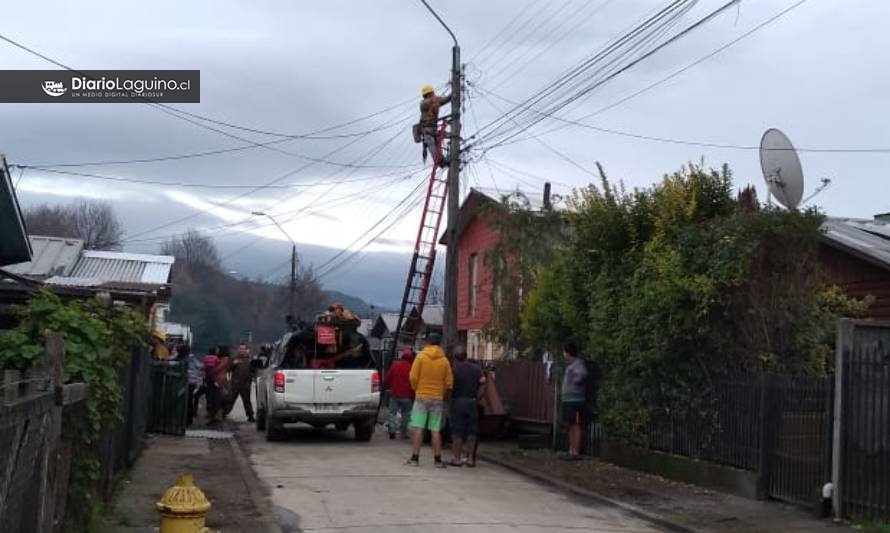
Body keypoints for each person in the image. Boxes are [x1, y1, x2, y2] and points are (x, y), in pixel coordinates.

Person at [406, 333, 453, 468]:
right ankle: (437, 460)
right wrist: (441, 392)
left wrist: (417, 389)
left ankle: (415, 459)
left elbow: (413, 377)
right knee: (435, 429)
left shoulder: (421, 357)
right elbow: (449, 382)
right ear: (439, 343)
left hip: (421, 397)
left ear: (428, 342)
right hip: (437, 398)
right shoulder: (444, 361)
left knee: (419, 428)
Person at [449, 345, 486, 467]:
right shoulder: (476, 369)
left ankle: (457, 458)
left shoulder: (453, 370)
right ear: (466, 356)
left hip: (458, 401)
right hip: (472, 402)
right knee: (472, 431)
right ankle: (470, 459)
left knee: (457, 431)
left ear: (455, 357)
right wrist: (477, 397)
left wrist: (448, 398)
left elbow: (448, 386)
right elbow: (483, 384)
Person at [560, 343, 589, 461]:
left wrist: (575, 383)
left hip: (575, 399)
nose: (563, 354)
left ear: (568, 352)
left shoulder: (578, 363)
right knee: (570, 425)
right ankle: (570, 450)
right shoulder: (571, 365)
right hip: (568, 399)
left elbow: (583, 374)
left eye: (564, 352)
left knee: (576, 425)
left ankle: (575, 452)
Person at [385, 348, 415, 440]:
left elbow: (387, 378)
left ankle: (392, 431)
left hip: (395, 394)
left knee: (392, 413)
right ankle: (403, 433)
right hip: (408, 396)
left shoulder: (395, 365)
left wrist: (389, 387)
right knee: (406, 414)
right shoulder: (412, 368)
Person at [418, 84, 451, 165]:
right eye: (432, 93)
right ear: (429, 94)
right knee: (433, 147)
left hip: (433, 130)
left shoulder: (435, 102)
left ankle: (443, 160)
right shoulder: (423, 104)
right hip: (427, 131)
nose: (434, 94)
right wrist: (436, 99)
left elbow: (446, 99)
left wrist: (453, 93)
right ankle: (440, 161)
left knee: (439, 145)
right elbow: (428, 102)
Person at [226, 343, 255, 422]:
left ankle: (250, 416)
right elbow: (227, 369)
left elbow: (254, 371)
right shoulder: (234, 359)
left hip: (246, 384)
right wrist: (232, 364)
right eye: (240, 349)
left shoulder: (250, 360)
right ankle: (224, 413)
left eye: (243, 349)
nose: (242, 350)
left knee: (247, 401)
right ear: (238, 350)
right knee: (230, 399)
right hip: (235, 383)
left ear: (246, 350)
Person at [175, 344, 202, 426]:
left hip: (185, 382)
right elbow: (200, 366)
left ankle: (183, 419)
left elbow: (173, 360)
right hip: (192, 382)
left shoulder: (182, 359)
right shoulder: (192, 358)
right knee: (189, 400)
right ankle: (188, 419)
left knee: (183, 401)